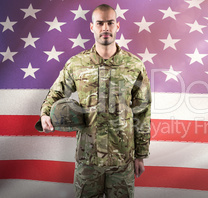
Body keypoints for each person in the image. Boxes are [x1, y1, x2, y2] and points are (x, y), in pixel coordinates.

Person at [39, 4, 151, 197]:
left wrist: (140, 154)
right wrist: (45, 113)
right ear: (92, 27)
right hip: (87, 160)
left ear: (117, 26)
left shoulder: (134, 65)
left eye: (110, 23)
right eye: (100, 23)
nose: (105, 28)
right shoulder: (76, 64)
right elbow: (57, 92)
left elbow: (142, 112)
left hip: (122, 159)